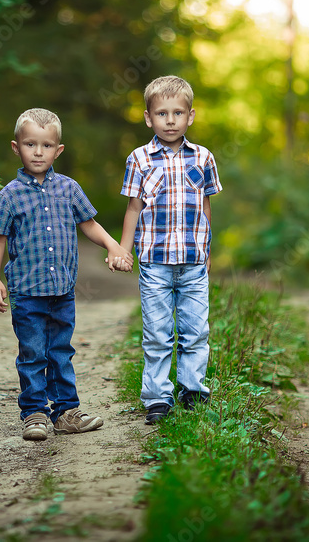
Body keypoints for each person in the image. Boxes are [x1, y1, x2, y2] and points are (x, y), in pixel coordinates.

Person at [0, 108, 133, 441]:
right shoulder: (9, 196)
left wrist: (114, 246)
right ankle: (35, 413)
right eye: (30, 144)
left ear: (58, 150)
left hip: (62, 291)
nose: (38, 152)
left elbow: (89, 224)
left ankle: (66, 412)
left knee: (61, 351)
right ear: (16, 147)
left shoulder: (69, 189)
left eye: (46, 145)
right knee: (33, 352)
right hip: (26, 291)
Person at [118, 76, 222, 424]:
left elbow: (205, 208)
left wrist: (207, 249)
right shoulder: (140, 159)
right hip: (155, 262)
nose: (170, 120)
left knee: (196, 330)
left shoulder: (203, 158)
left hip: (193, 261)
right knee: (158, 333)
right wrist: (123, 248)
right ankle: (157, 397)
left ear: (191, 116)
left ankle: (192, 389)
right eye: (161, 113)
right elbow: (133, 208)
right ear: (148, 118)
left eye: (178, 112)